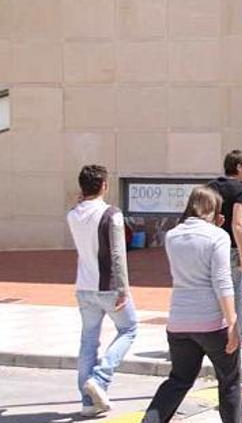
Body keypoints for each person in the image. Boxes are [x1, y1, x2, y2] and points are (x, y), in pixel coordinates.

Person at [142, 187, 242, 423]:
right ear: (215, 211)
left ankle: (151, 420)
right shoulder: (217, 236)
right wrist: (233, 322)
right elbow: (221, 280)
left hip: (179, 321)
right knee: (229, 382)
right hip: (212, 321)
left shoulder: (172, 235)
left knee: (179, 379)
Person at [67, 165, 138, 417]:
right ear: (104, 186)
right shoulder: (112, 214)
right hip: (108, 286)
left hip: (84, 287)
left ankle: (88, 402)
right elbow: (118, 254)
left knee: (88, 342)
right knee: (129, 329)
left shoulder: (73, 214)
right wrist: (124, 289)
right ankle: (100, 378)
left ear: (82, 187)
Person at [208, 150, 242, 348]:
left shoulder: (211, 186)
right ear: (238, 167)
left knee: (216, 290)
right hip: (231, 246)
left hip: (212, 246)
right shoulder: (239, 190)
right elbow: (237, 224)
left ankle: (216, 331)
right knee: (238, 292)